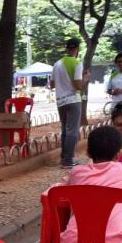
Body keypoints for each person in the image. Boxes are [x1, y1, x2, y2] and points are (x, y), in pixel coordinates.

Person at [51, 37, 90, 168]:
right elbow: (78, 86)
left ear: (66, 48)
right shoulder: (77, 63)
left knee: (65, 129)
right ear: (77, 49)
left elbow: (51, 84)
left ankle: (64, 157)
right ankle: (68, 160)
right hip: (73, 100)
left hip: (60, 101)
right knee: (72, 130)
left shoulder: (57, 64)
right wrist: (85, 79)